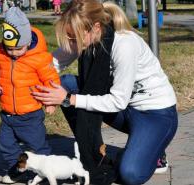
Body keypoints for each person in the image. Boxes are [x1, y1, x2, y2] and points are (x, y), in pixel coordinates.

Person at [32, 0, 178, 184]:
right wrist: (6, 75)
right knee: (65, 83)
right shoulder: (85, 39)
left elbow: (118, 101)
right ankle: (93, 153)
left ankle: (155, 151)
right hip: (124, 111)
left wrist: (69, 99)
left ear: (96, 27)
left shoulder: (124, 44)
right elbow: (49, 65)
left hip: (155, 114)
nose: (71, 42)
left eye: (74, 37)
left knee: (131, 174)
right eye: (69, 37)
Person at [0, 7, 60, 184]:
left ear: (27, 40)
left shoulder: (39, 57)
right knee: (6, 146)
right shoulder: (0, 52)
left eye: (18, 48)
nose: (14, 53)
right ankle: (19, 171)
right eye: (10, 49)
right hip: (7, 114)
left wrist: (52, 101)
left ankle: (46, 173)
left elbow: (51, 79)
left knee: (38, 146)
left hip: (30, 114)